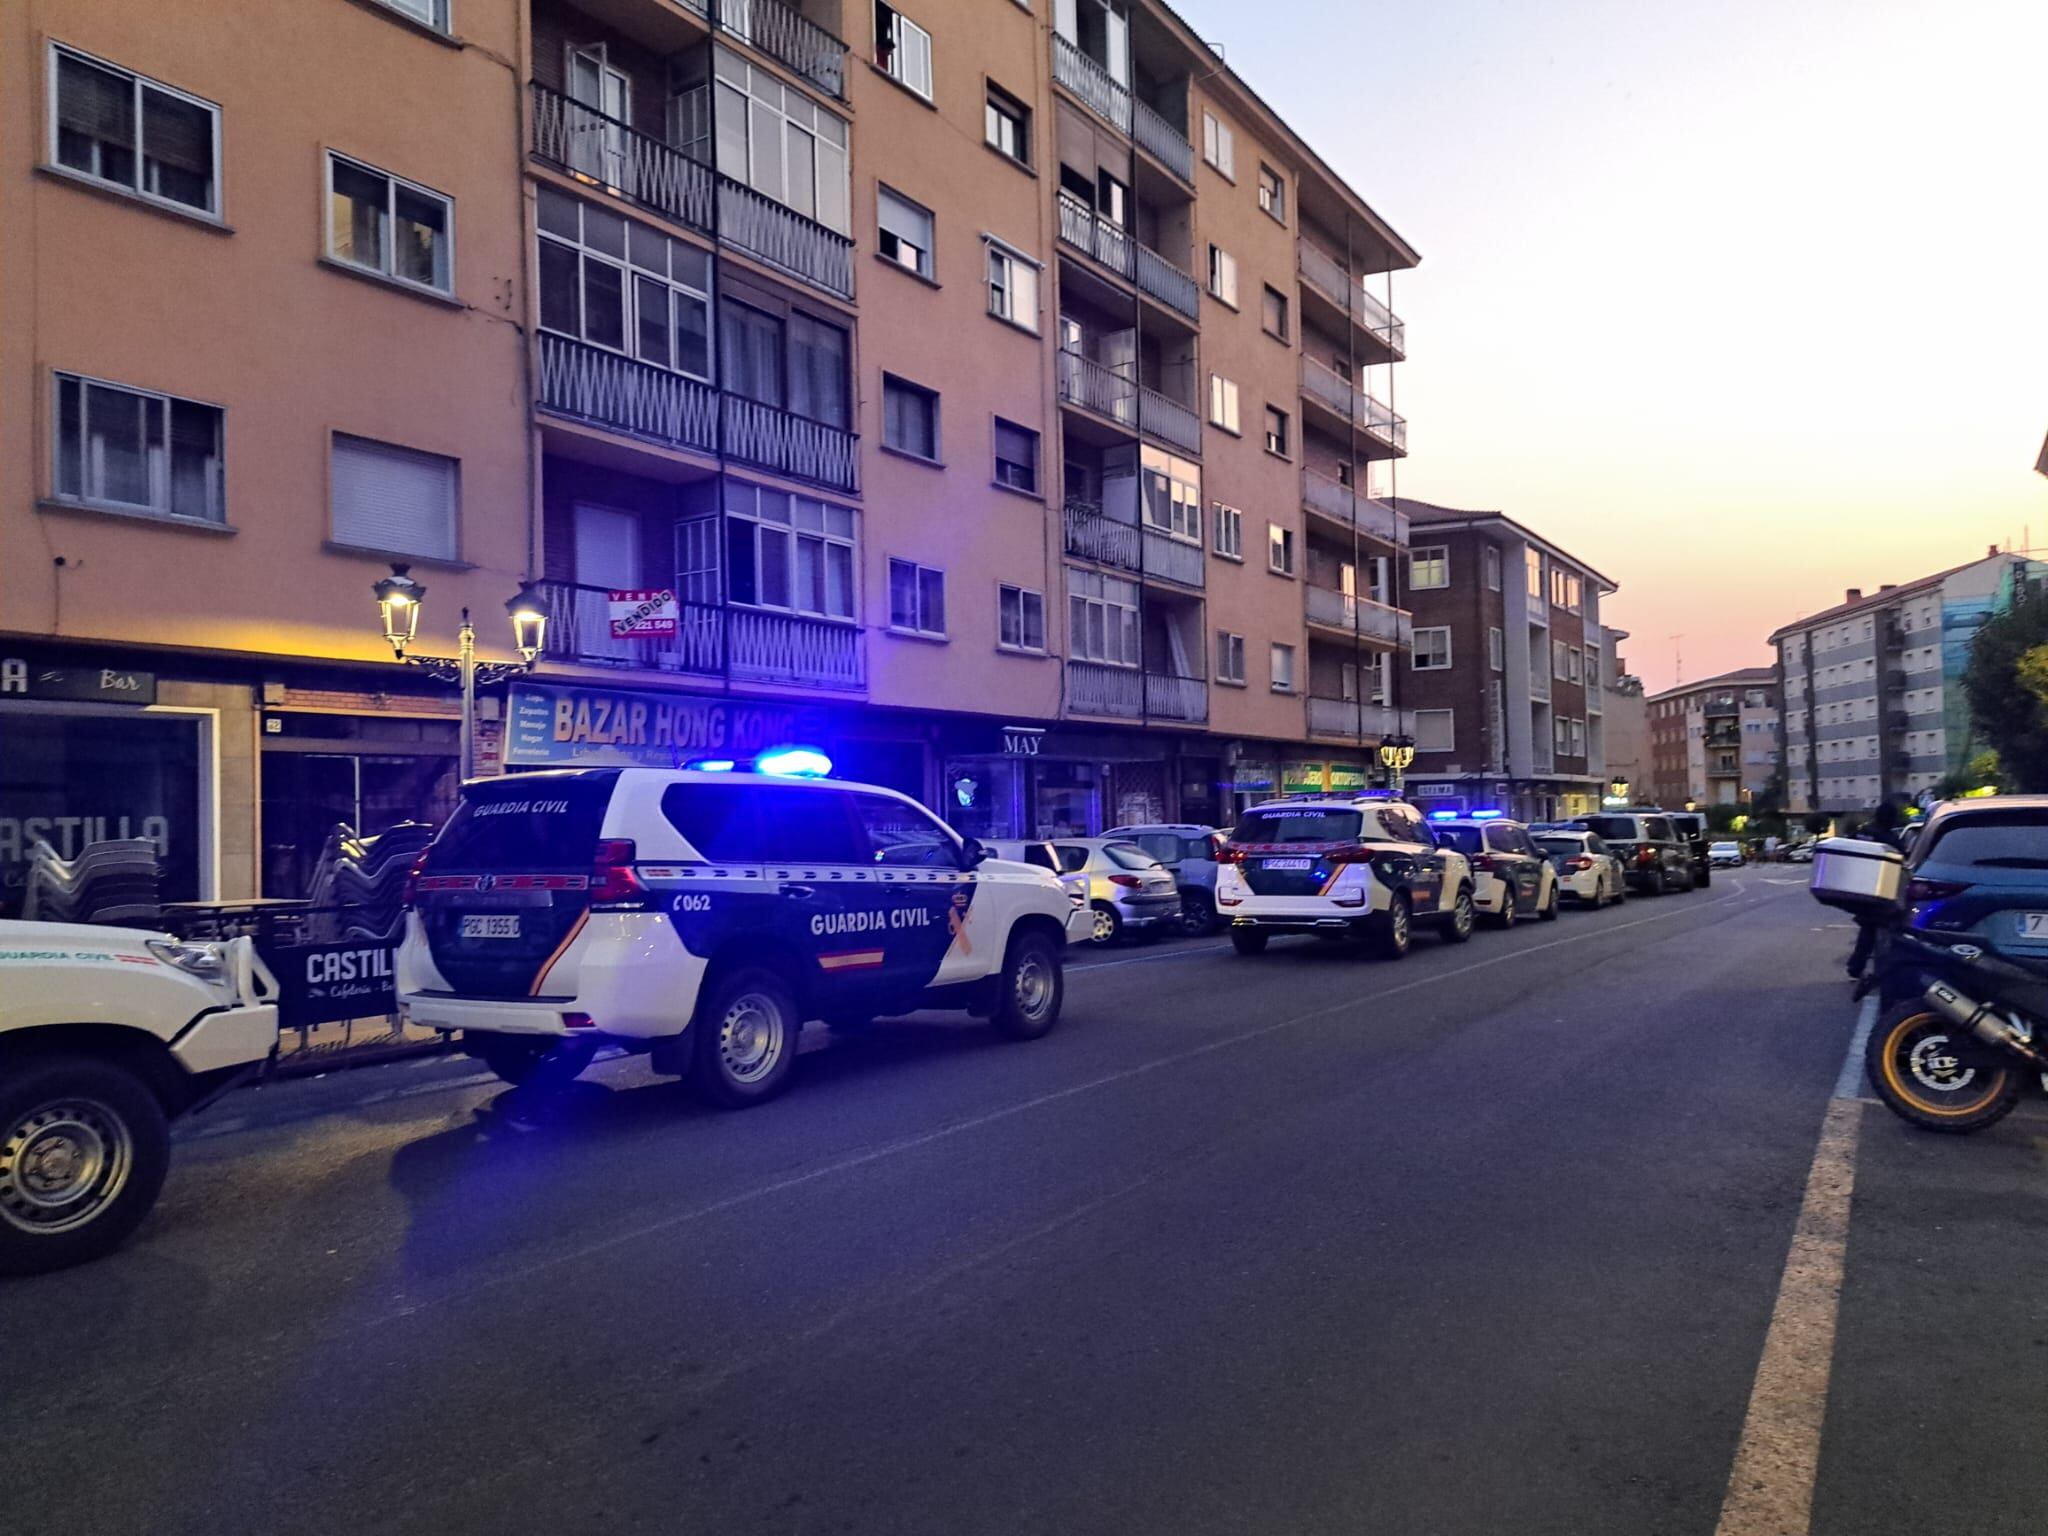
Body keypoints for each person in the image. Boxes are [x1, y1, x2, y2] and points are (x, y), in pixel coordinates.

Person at [1846, 801, 1905, 979]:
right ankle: (1880, 968)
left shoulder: (1863, 832)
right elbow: (1903, 859)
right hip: (1883, 889)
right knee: (1885, 928)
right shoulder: (1891, 838)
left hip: (1862, 886)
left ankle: (1856, 967)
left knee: (1868, 929)